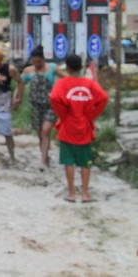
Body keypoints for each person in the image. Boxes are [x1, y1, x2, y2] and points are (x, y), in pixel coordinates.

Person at [50, 54, 108, 203]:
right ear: (82, 67)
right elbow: (103, 98)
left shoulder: (62, 83)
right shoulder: (89, 84)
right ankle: (85, 193)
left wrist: (63, 115)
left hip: (67, 126)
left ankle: (71, 193)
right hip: (84, 127)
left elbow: (54, 98)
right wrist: (90, 115)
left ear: (67, 68)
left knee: (68, 161)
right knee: (85, 161)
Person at [21, 45, 67, 168]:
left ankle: (42, 161)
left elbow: (67, 79)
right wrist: (16, 98)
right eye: (34, 62)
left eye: (39, 62)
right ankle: (45, 157)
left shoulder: (52, 68)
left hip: (50, 106)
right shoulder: (28, 71)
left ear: (43, 59)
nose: (36, 64)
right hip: (36, 106)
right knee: (40, 133)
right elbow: (20, 84)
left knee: (46, 131)